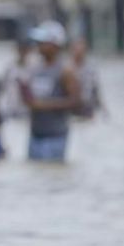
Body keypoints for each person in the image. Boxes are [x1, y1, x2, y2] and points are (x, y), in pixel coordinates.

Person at [21, 21, 81, 162]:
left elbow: (76, 102)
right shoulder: (34, 68)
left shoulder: (66, 71)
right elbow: (31, 99)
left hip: (55, 137)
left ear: (55, 45)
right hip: (35, 135)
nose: (39, 46)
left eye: (43, 42)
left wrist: (43, 105)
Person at [0, 38, 35, 121]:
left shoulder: (34, 68)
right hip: (11, 111)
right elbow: (3, 88)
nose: (23, 52)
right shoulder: (10, 68)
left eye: (25, 49)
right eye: (21, 49)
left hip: (28, 113)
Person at [69, 38, 106, 119]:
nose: (79, 53)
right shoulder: (67, 68)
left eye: (81, 50)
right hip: (71, 108)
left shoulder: (90, 68)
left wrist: (103, 109)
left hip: (87, 106)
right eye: (76, 50)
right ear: (72, 50)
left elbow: (95, 89)